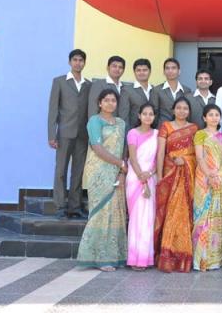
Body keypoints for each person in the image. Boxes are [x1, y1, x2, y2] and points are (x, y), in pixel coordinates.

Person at [77, 89, 128, 271]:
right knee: (100, 212)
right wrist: (120, 163)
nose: (110, 103)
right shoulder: (94, 121)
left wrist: (122, 171)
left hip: (116, 171)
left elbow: (123, 148)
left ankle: (114, 256)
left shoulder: (121, 123)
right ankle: (98, 258)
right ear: (99, 103)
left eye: (113, 100)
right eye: (106, 100)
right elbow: (97, 147)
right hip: (98, 172)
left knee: (115, 213)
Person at [154, 97, 198, 272]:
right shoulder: (166, 127)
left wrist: (185, 160)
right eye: (178, 108)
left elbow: (196, 154)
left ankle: (183, 256)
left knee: (184, 214)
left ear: (189, 111)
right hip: (170, 175)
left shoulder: (194, 128)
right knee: (171, 214)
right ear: (173, 110)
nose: (182, 111)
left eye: (185, 108)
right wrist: (160, 176)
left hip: (187, 176)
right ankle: (168, 254)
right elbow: (161, 153)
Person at [47, 49, 91, 219]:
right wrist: (52, 134)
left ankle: (75, 206)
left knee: (78, 171)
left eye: (81, 60)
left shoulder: (88, 85)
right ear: (70, 62)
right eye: (75, 60)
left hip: (83, 134)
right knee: (61, 170)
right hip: (64, 132)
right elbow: (53, 109)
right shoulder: (59, 82)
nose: (78, 63)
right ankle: (60, 206)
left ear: (84, 63)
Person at [192, 104, 222, 271]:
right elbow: (199, 157)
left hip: (219, 179)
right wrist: (209, 175)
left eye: (216, 115)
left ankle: (214, 259)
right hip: (203, 179)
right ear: (204, 118)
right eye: (211, 115)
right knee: (202, 216)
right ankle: (201, 259)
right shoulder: (200, 134)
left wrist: (219, 175)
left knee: (217, 217)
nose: (214, 118)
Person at [125, 103, 158, 270]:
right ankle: (134, 258)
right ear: (139, 115)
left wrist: (149, 174)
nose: (147, 116)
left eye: (151, 114)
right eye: (144, 113)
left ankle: (145, 257)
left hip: (151, 177)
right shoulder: (132, 133)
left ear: (154, 117)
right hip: (135, 178)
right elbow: (132, 158)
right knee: (136, 219)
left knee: (148, 220)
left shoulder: (157, 135)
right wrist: (141, 177)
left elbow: (157, 160)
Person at [88, 56, 129, 122]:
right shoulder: (98, 85)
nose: (117, 69)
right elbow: (93, 109)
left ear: (123, 70)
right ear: (108, 68)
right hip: (104, 126)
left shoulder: (125, 88)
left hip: (121, 126)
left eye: (120, 67)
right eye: (114, 66)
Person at [154, 58, 193, 126]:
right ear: (164, 72)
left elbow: (188, 113)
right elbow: (154, 112)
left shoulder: (187, 90)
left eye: (173, 68)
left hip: (182, 129)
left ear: (179, 71)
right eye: (167, 68)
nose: (170, 71)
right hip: (163, 128)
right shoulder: (156, 90)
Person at [122, 59, 156, 131]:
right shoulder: (127, 90)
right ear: (134, 72)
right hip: (134, 132)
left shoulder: (154, 90)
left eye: (145, 70)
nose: (142, 73)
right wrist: (128, 134)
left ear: (150, 72)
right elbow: (124, 116)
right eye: (138, 70)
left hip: (152, 132)